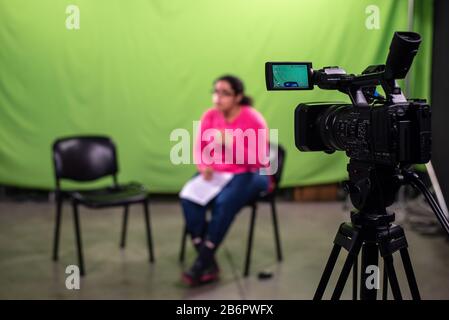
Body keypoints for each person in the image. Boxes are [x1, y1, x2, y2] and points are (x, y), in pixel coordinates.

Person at [181, 75, 272, 286]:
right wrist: (203, 166)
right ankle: (208, 260)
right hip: (219, 172)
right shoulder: (210, 116)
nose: (217, 98)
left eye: (225, 93)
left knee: (224, 203)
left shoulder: (253, 118)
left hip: (251, 172)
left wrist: (232, 144)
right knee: (188, 198)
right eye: (215, 92)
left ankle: (201, 263)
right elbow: (199, 149)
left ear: (238, 96)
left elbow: (260, 159)